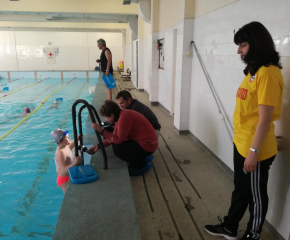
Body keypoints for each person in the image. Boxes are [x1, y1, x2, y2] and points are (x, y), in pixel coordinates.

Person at [204, 22, 284, 240]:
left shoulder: (267, 73)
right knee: (240, 189)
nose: (239, 50)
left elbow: (265, 118)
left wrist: (254, 152)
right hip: (241, 142)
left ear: (257, 44)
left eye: (243, 45)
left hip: (255, 149)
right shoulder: (253, 71)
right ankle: (230, 227)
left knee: (256, 196)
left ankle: (253, 234)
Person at [89, 101, 158, 176]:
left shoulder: (124, 118)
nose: (106, 119)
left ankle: (142, 164)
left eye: (107, 117)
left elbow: (118, 140)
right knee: (116, 144)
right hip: (147, 142)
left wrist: (101, 131)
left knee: (118, 149)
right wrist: (99, 146)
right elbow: (113, 137)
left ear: (112, 115)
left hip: (148, 146)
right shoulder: (121, 115)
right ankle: (142, 158)